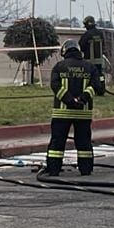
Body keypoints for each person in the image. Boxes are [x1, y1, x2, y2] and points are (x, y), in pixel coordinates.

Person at [43, 40, 106, 176]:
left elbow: (55, 86)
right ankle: (86, 169)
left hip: (62, 113)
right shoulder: (90, 67)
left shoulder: (59, 67)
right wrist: (82, 99)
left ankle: (53, 169)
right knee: (84, 142)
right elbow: (96, 87)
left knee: (57, 142)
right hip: (83, 114)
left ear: (64, 52)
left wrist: (69, 100)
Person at [78, 16, 107, 81]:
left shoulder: (86, 35)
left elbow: (81, 47)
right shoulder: (100, 34)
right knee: (99, 76)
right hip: (100, 62)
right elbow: (103, 46)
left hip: (88, 62)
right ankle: (101, 86)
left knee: (89, 78)